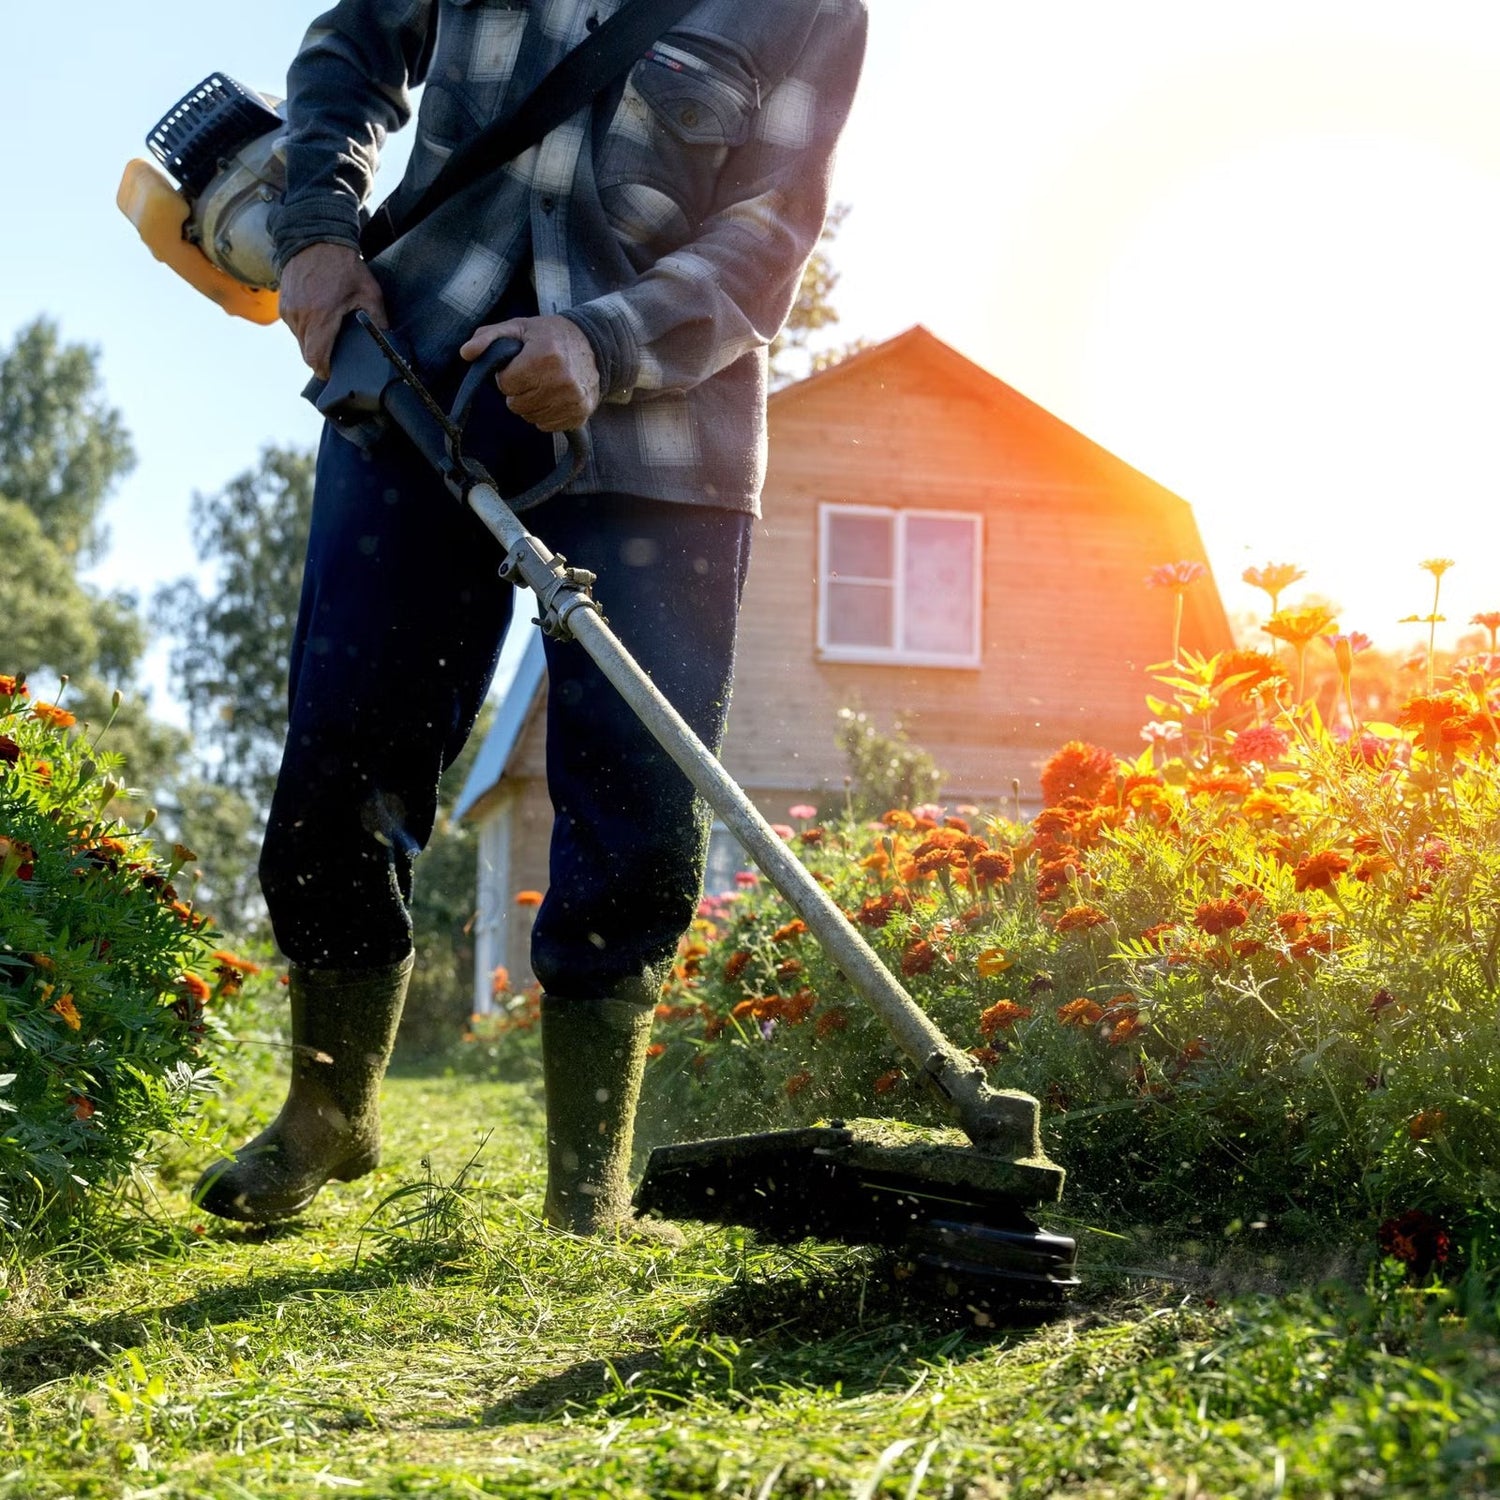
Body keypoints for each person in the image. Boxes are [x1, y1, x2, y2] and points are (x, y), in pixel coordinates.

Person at [193, 0, 868, 1232]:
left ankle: (585, 1181)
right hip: (415, 368)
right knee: (346, 748)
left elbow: (769, 230)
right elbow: (350, 54)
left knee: (636, 799)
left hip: (663, 428)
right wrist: (319, 236)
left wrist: (605, 342)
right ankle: (328, 1109)